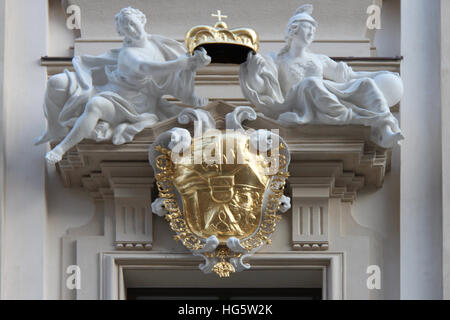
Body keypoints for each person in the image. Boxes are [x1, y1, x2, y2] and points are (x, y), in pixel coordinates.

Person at [36, 7, 211, 163]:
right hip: (115, 98)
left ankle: (85, 130)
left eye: (133, 24)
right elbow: (145, 67)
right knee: (87, 100)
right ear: (121, 33)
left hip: (142, 105)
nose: (131, 30)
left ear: (142, 21)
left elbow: (175, 81)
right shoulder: (128, 53)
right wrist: (182, 63)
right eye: (125, 28)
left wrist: (193, 69)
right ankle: (61, 147)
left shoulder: (161, 46)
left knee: (93, 104)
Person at [240, 5, 403, 148]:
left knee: (365, 84)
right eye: (307, 27)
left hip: (322, 95)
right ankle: (354, 117)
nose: (311, 32)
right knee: (310, 83)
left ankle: (385, 127)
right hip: (296, 102)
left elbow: (349, 76)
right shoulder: (276, 60)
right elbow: (264, 89)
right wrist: (254, 74)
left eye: (313, 29)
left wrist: (378, 74)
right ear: (294, 29)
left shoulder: (319, 59)